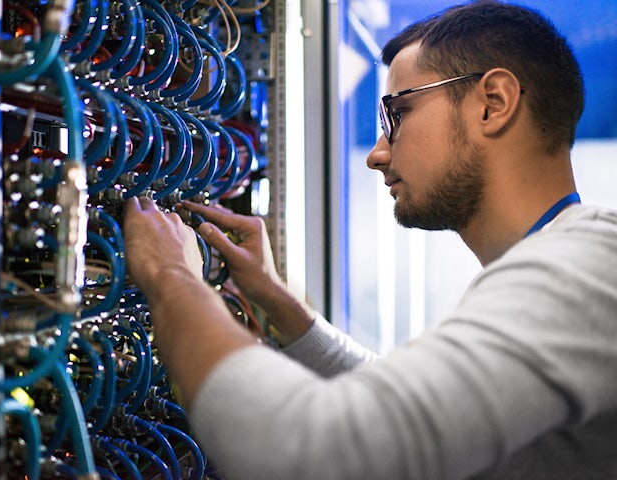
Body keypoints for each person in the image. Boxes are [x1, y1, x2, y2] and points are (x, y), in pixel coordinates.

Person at [122, 1, 617, 478]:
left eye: (396, 115)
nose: (375, 155)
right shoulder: (562, 269)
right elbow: (409, 417)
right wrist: (274, 297)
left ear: (493, 104)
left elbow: (318, 450)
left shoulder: (584, 267)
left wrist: (170, 277)